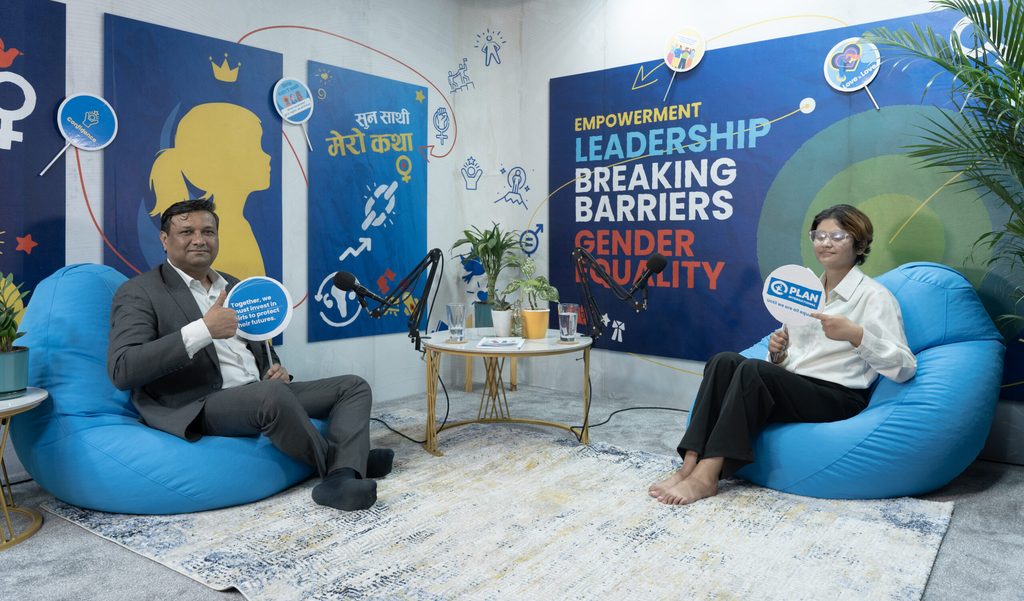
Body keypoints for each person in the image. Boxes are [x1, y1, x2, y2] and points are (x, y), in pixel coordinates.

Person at [108, 199, 392, 511]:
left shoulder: (234, 285)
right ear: (164, 239)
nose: (199, 239)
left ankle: (347, 467)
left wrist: (277, 369)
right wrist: (203, 329)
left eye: (208, 231)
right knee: (269, 397)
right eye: (186, 231)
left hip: (259, 391)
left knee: (352, 386)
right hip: (198, 401)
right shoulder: (139, 291)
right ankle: (341, 471)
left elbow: (260, 347)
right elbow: (123, 369)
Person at [649, 204, 916, 505]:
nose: (825, 243)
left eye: (837, 236)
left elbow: (904, 367)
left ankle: (708, 475)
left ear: (858, 243)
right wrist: (778, 354)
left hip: (840, 396)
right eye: (819, 235)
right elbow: (793, 360)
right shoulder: (806, 290)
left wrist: (856, 335)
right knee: (724, 361)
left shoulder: (874, 296)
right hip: (797, 385)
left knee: (753, 371)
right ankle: (689, 464)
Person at [149, 103, 272, 280]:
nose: (268, 156)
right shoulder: (228, 232)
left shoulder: (237, 225)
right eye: (256, 147)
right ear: (226, 160)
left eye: (208, 232)